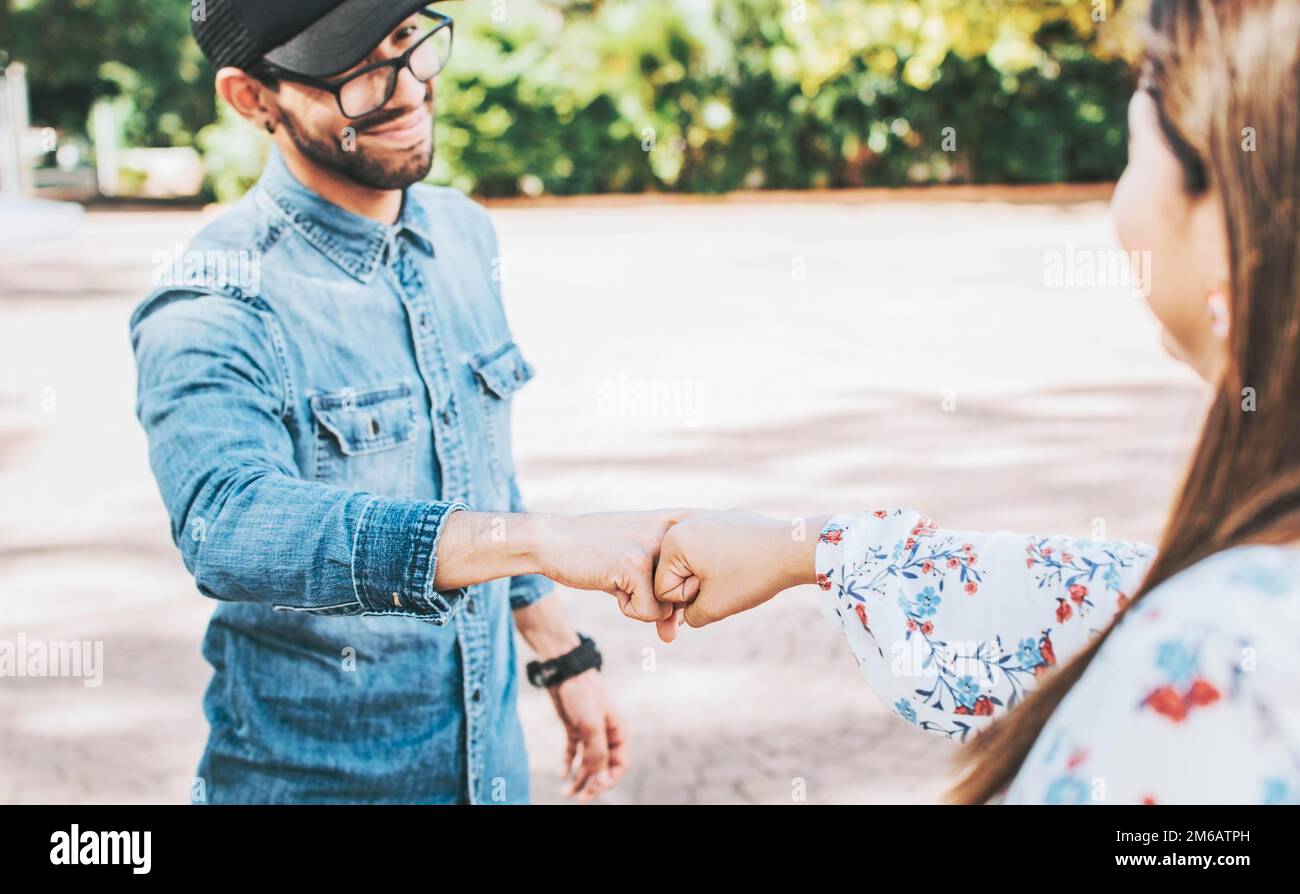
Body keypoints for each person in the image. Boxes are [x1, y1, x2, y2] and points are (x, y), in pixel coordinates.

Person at [651, 0, 1300, 804]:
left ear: (1229, 210)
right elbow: (1097, 597)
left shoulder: (1212, 668)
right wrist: (806, 550)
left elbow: (1159, 623)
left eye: (1133, 150)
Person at [131, 0, 675, 804]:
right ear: (252, 98)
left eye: (404, 42)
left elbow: (483, 475)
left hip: (491, 775)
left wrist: (562, 658)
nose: (405, 89)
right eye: (350, 68)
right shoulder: (210, 301)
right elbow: (230, 523)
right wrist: (530, 540)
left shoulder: (464, 235)